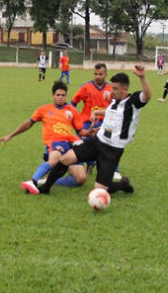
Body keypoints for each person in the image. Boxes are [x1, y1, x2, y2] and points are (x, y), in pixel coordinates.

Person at [35, 65, 151, 196]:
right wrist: (96, 113)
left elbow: (147, 95)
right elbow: (110, 112)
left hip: (112, 150)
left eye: (115, 89)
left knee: (100, 189)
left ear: (125, 89)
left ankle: (122, 184)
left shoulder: (133, 102)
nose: (112, 91)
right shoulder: (114, 102)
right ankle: (46, 188)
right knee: (66, 158)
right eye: (112, 88)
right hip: (97, 142)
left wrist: (142, 77)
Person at [0, 81, 89, 194]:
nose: (60, 97)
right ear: (53, 96)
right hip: (55, 143)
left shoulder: (72, 110)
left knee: (81, 178)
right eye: (58, 95)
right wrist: (10, 135)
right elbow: (28, 123)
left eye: (63, 95)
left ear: (66, 96)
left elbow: (81, 131)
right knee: (54, 159)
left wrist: (91, 131)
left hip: (70, 144)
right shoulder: (44, 110)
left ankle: (49, 181)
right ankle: (32, 181)